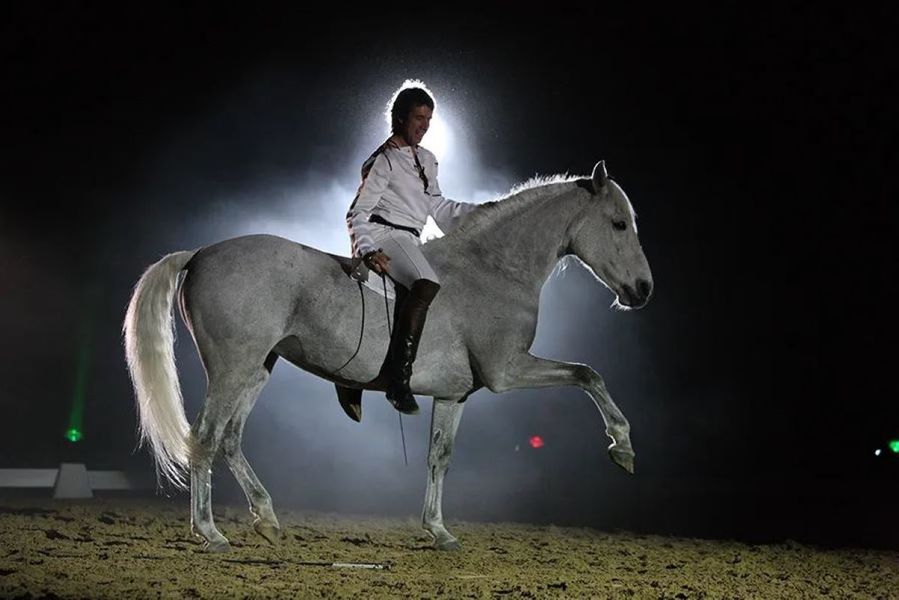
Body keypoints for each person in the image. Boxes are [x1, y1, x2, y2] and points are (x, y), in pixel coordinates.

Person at [346, 82, 477, 415]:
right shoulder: (384, 160)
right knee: (426, 283)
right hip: (385, 233)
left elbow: (439, 206)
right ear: (401, 117)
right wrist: (367, 248)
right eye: (419, 117)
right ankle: (397, 381)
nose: (424, 126)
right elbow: (357, 212)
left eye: (429, 120)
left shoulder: (428, 160)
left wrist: (482, 214)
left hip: (411, 238)